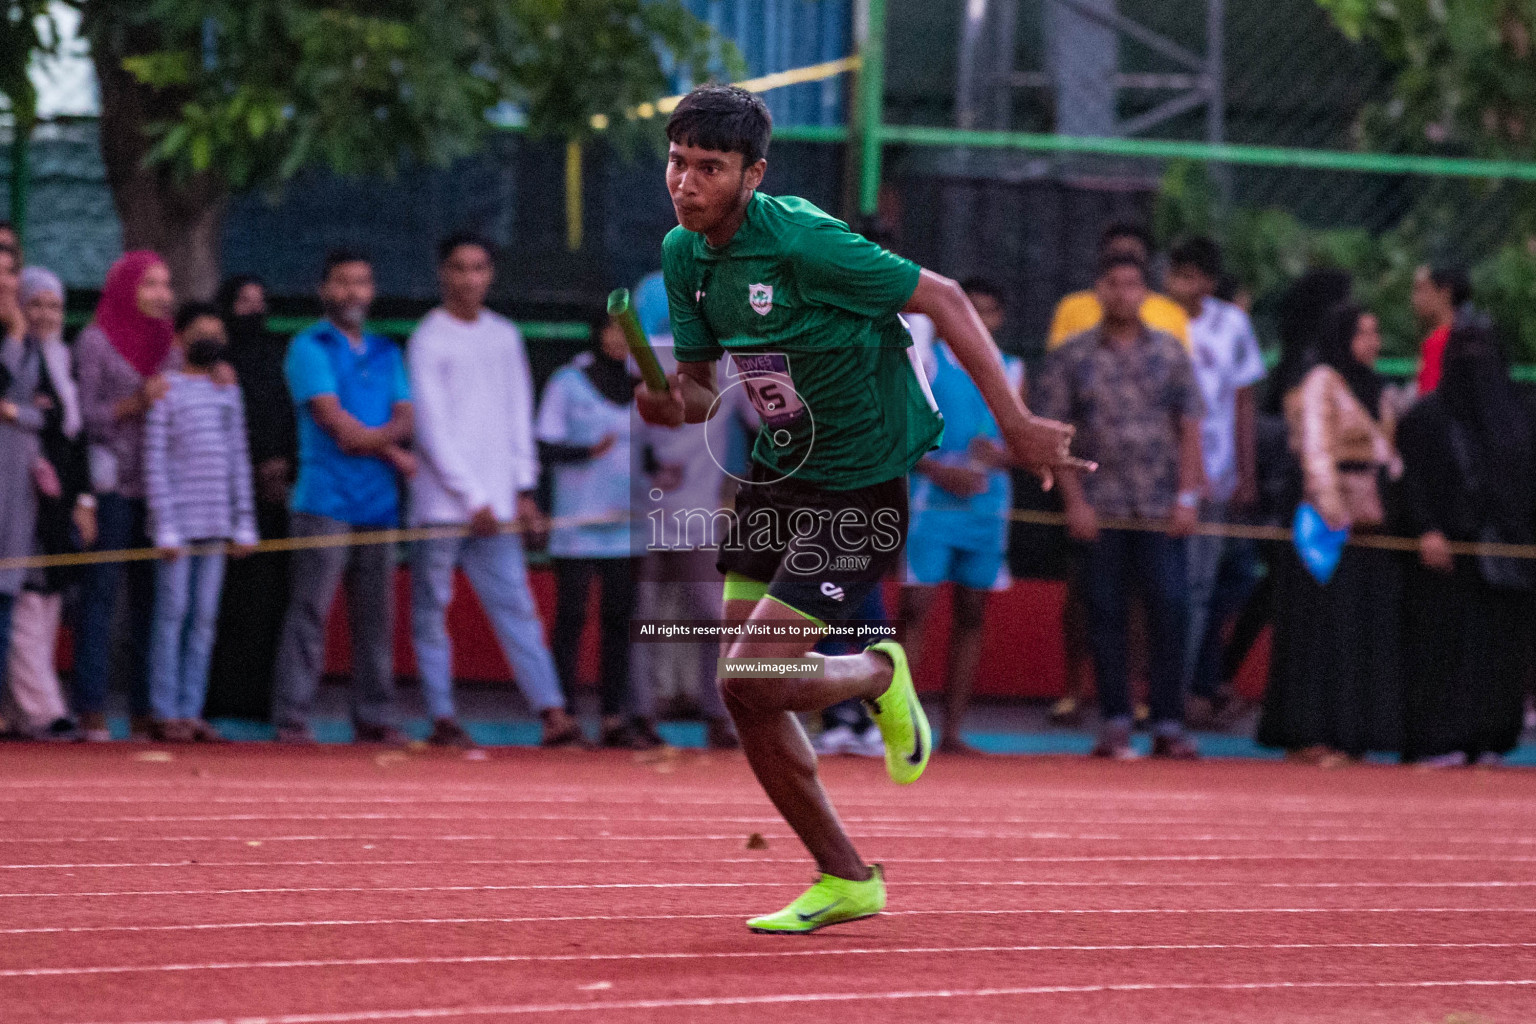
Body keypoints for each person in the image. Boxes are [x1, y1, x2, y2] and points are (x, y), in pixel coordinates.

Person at [638, 85, 1081, 933]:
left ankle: (880, 672)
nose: (686, 183)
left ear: (752, 174)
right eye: (677, 162)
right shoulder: (685, 253)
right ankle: (846, 878)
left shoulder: (804, 241)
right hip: (775, 473)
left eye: (709, 168)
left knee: (748, 674)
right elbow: (698, 391)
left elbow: (945, 298)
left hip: (858, 479)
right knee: (748, 698)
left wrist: (1019, 424)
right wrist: (665, 402)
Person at [408, 233, 579, 748]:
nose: (469, 278)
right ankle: (442, 715)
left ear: (491, 275)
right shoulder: (427, 338)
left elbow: (516, 417)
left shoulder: (504, 336)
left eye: (479, 268)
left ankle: (552, 712)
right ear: (443, 273)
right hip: (443, 505)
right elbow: (432, 431)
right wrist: (471, 498)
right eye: (459, 268)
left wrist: (523, 489)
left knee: (517, 607)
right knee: (432, 609)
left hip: (500, 505)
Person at [1036, 253, 1204, 760]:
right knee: (1104, 611)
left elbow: (1190, 426)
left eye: (1133, 285)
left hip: (1158, 505)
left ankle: (1169, 721)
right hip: (1100, 504)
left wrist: (1188, 496)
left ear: (1146, 294)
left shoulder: (1171, 354)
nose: (1123, 294)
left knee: (1170, 608)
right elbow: (1055, 435)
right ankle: (1114, 719)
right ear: (1099, 290)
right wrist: (1074, 502)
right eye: (1113, 284)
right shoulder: (1073, 356)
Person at [272, 249, 413, 746]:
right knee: (310, 610)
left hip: (379, 502)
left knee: (378, 614)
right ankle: (291, 716)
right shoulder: (309, 346)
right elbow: (337, 427)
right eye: (342, 283)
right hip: (323, 499)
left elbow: (406, 418)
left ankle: (374, 715)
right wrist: (393, 452)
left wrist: (385, 445)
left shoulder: (386, 350)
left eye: (361, 282)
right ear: (324, 290)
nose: (353, 292)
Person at [1258, 301, 1404, 765]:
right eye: (1364, 333)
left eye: (1376, 333)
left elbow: (1387, 453)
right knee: (1321, 628)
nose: (1373, 343)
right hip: (1327, 527)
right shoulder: (1324, 380)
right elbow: (1316, 448)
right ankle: (1311, 732)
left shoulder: (1377, 388)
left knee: (1356, 628)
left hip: (1370, 524)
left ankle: (1350, 730)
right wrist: (1334, 509)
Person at [1398, 313, 1535, 766]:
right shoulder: (1424, 417)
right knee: (1442, 646)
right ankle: (1440, 738)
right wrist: (1427, 529)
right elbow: (1410, 482)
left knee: (1501, 648)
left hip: (1507, 552)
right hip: (1447, 553)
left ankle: (1491, 737)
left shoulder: (1520, 413)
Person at [900, 280, 1024, 754]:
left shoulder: (1012, 370)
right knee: (915, 611)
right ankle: (905, 724)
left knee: (972, 615)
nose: (980, 320)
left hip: (987, 509)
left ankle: (952, 730)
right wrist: (936, 469)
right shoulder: (927, 363)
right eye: (972, 310)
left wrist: (1003, 455)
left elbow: (1027, 444)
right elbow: (898, 430)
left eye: (990, 312)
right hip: (932, 504)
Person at [74, 251, 178, 741]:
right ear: (126, 289)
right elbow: (84, 417)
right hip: (111, 485)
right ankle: (90, 706)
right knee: (100, 595)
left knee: (150, 600)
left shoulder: (169, 344)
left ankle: (143, 707)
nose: (161, 294)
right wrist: (135, 402)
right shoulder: (95, 341)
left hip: (156, 489)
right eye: (150, 284)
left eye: (165, 284)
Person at [537, 314, 653, 749]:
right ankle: (563, 714)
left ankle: (612, 718)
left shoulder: (646, 387)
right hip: (577, 525)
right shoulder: (568, 382)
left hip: (628, 528)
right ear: (598, 333)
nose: (621, 341)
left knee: (619, 623)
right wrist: (586, 450)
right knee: (570, 619)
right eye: (614, 330)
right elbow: (544, 444)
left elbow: (653, 451)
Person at [143, 303, 257, 742]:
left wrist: (243, 519)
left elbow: (238, 459)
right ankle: (164, 709)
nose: (209, 340)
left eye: (216, 332)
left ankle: (191, 710)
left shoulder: (228, 392)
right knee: (171, 614)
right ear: (179, 340)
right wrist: (164, 523)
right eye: (199, 332)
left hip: (217, 523)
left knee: (205, 618)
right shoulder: (165, 390)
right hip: (177, 528)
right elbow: (155, 461)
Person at [1165, 238, 1266, 727]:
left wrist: (1246, 473)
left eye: (1190, 275)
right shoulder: (1156, 317)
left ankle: (1180, 692)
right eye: (1175, 273)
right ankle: (1151, 694)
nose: (1180, 284)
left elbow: (1244, 401)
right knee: (1158, 587)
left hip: (1216, 474)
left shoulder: (1232, 325)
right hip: (1157, 477)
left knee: (1200, 588)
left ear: (1207, 281)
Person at [4, 267, 95, 739]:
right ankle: (43, 708)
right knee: (22, 596)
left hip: (58, 502)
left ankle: (27, 706)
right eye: (34, 303)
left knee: (47, 599)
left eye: (54, 306)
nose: (44, 314)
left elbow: (76, 438)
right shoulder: (19, 358)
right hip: (21, 494)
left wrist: (84, 499)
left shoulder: (65, 361)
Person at [206, 274, 296, 720]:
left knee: (268, 599)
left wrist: (281, 464)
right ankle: (215, 696)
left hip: (272, 499)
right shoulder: (215, 364)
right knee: (222, 600)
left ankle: (259, 698)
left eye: (259, 302)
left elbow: (286, 416)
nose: (252, 311)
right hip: (220, 498)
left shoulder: (277, 359)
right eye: (242, 302)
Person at [1047, 223, 1191, 350]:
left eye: (1131, 254)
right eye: (1116, 253)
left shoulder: (1171, 312)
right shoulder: (1072, 308)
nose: (1124, 260)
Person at [0, 244, 35, 709]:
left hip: (14, 485)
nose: (6, 282)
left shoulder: (30, 342)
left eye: (11, 272)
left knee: (5, 600)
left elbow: (48, 412)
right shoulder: (17, 339)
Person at [1410, 266, 1471, 396]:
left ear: (1445, 293)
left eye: (1421, 289)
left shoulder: (1440, 342)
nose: (1415, 298)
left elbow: (1429, 398)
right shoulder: (1474, 334)